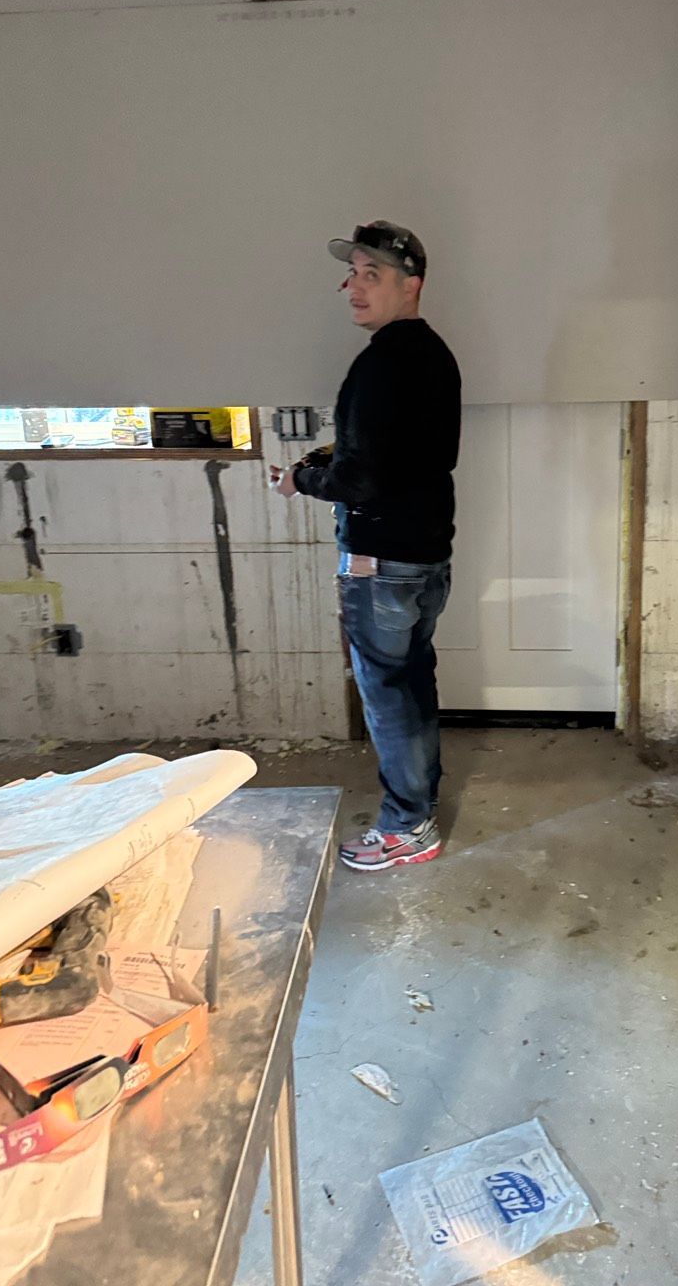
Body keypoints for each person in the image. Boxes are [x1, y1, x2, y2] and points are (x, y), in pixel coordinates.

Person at [270, 221, 461, 871]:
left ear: (412, 286)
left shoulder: (380, 364)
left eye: (370, 274)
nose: (353, 286)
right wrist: (333, 457)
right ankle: (421, 803)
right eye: (351, 272)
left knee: (385, 695)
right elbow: (416, 455)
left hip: (380, 563)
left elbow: (361, 476)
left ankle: (407, 824)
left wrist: (302, 477)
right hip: (428, 556)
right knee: (412, 682)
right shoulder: (435, 356)